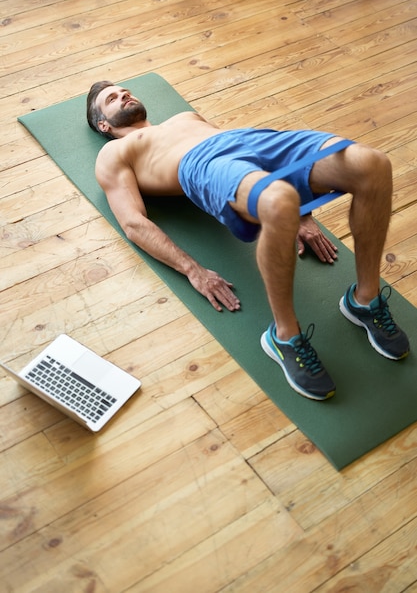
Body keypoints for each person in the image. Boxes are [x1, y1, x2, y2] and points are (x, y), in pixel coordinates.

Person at [86, 80, 410, 401]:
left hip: (252, 140)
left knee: (373, 164)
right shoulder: (113, 152)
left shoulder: (185, 117)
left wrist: (304, 213)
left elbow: (251, 158)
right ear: (103, 123)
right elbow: (133, 222)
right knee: (280, 201)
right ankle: (284, 336)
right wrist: (193, 270)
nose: (124, 94)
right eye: (112, 98)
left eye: (124, 90)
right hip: (203, 163)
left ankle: (365, 300)